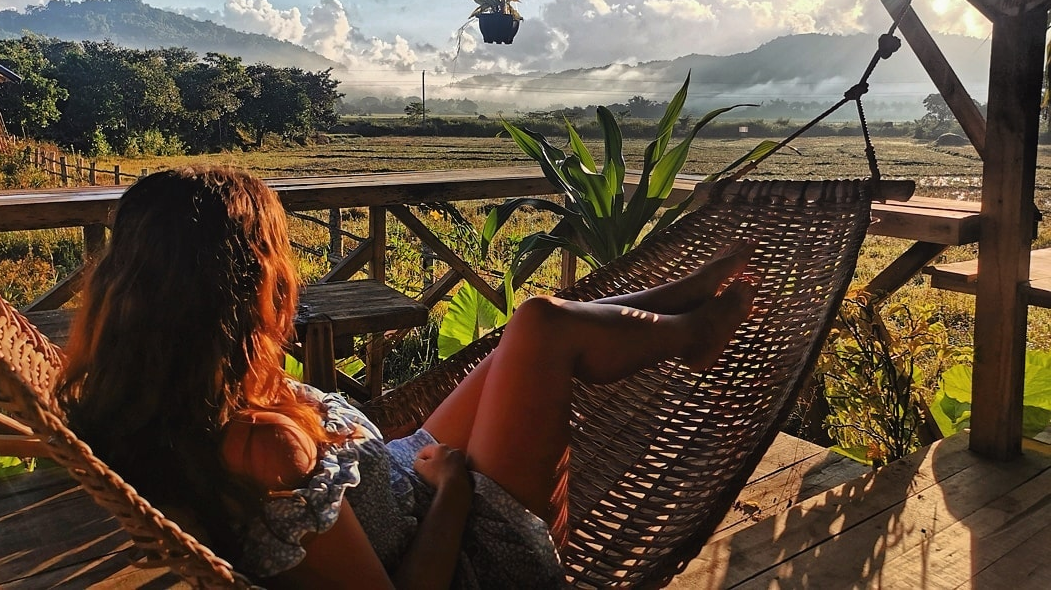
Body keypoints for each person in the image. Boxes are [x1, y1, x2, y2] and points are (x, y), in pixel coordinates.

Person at [56, 166, 755, 589]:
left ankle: (675, 310)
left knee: (531, 329)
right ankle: (692, 332)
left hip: (404, 471)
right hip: (470, 548)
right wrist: (452, 490)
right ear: (242, 292)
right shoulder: (264, 449)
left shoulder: (158, 397)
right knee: (541, 324)